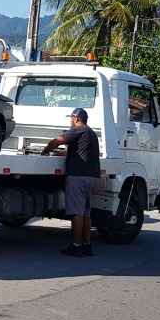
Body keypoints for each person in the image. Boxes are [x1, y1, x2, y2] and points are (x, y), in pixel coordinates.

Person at [42, 107, 103, 257]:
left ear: (76, 118)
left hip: (78, 177)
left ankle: (76, 245)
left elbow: (58, 141)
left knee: (76, 213)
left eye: (71, 118)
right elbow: (80, 152)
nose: (70, 121)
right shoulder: (91, 133)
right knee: (86, 213)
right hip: (92, 178)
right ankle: (87, 245)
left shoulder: (78, 129)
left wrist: (47, 149)